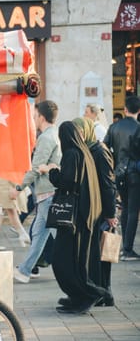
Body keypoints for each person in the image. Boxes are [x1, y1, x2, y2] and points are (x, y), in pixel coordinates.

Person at [42, 121, 105, 314]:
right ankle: (78, 296)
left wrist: (52, 172)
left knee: (64, 260)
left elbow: (68, 183)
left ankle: (88, 294)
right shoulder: (85, 153)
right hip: (84, 216)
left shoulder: (71, 154)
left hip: (74, 219)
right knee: (75, 261)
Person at [11, 100, 61, 284]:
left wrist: (18, 188)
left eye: (35, 114)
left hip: (48, 194)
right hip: (47, 195)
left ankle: (77, 270)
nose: (33, 117)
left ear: (41, 116)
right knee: (40, 235)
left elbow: (34, 169)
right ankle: (24, 271)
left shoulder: (46, 138)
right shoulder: (53, 135)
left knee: (59, 237)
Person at [71, 117, 117, 307]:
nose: (78, 135)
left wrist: (111, 213)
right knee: (95, 254)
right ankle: (100, 293)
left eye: (80, 131)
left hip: (102, 211)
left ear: (87, 130)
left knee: (103, 255)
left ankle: (106, 294)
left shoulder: (99, 150)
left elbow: (108, 184)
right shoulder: (87, 149)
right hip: (93, 208)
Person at [103, 95, 140, 261]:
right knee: (132, 210)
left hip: (119, 173)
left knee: (125, 208)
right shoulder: (138, 128)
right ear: (138, 110)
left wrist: (114, 164)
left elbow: (104, 147)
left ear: (125, 109)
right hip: (134, 173)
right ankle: (127, 248)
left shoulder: (114, 127)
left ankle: (125, 248)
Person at [0, 154, 30, 251]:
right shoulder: (7, 150)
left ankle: (22, 234)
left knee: (9, 210)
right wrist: (18, 187)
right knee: (1, 211)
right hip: (4, 183)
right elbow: (11, 170)